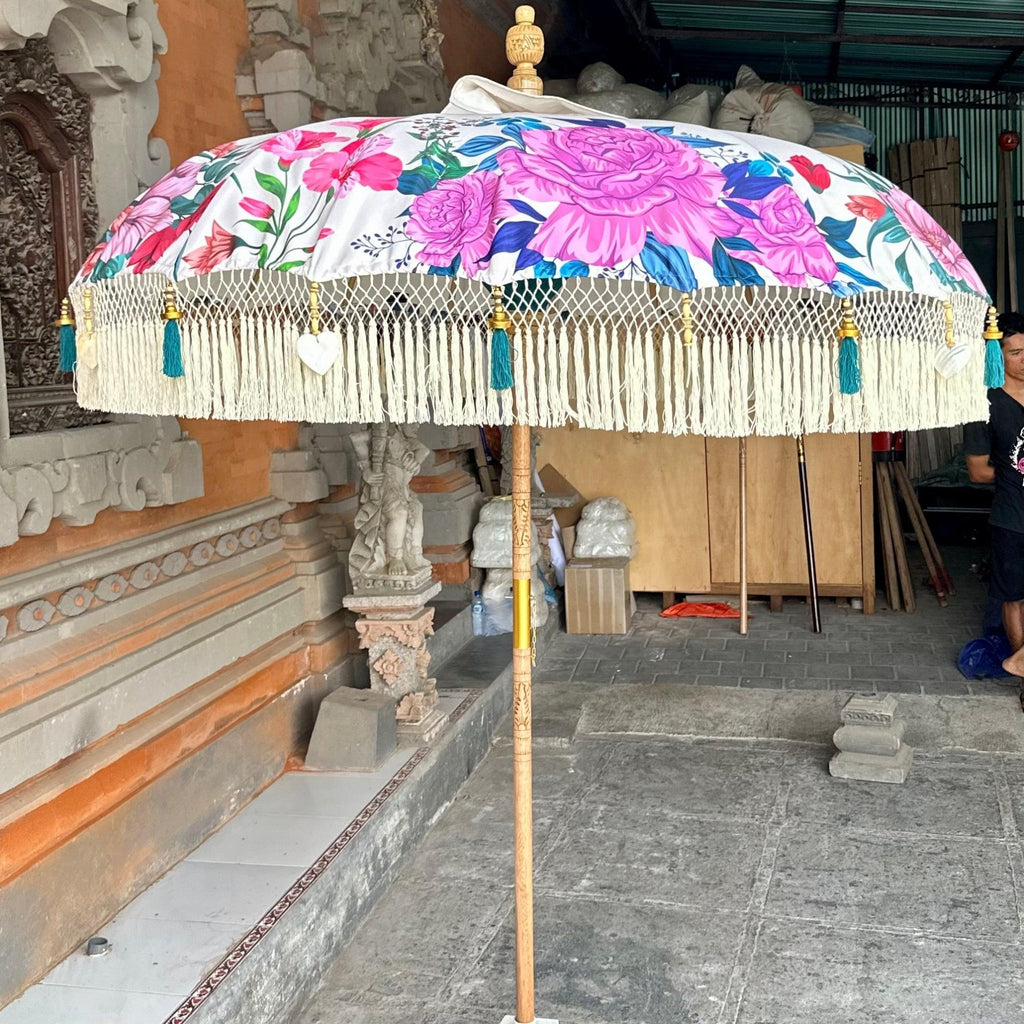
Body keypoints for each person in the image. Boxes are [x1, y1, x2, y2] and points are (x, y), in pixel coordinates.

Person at [964, 312, 1024, 689]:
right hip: (1012, 516)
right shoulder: (984, 403)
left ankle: (1019, 662)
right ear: (997, 355)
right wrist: (1011, 469)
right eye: (1016, 352)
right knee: (1014, 596)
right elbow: (977, 471)